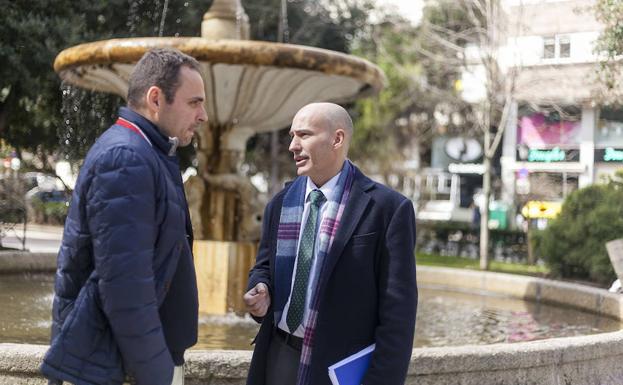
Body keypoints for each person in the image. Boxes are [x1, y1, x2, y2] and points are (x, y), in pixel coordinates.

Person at [40, 48, 207, 385]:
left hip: (130, 362)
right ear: (156, 99)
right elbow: (126, 288)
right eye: (194, 103)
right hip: (122, 367)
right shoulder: (127, 157)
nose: (203, 115)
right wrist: (157, 373)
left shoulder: (149, 152)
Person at [243, 102, 417, 385]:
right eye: (292, 136)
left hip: (339, 369)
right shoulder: (280, 203)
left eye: (304, 135)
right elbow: (263, 267)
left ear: (337, 139)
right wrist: (261, 289)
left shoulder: (388, 210)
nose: (293, 146)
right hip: (279, 357)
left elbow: (399, 314)